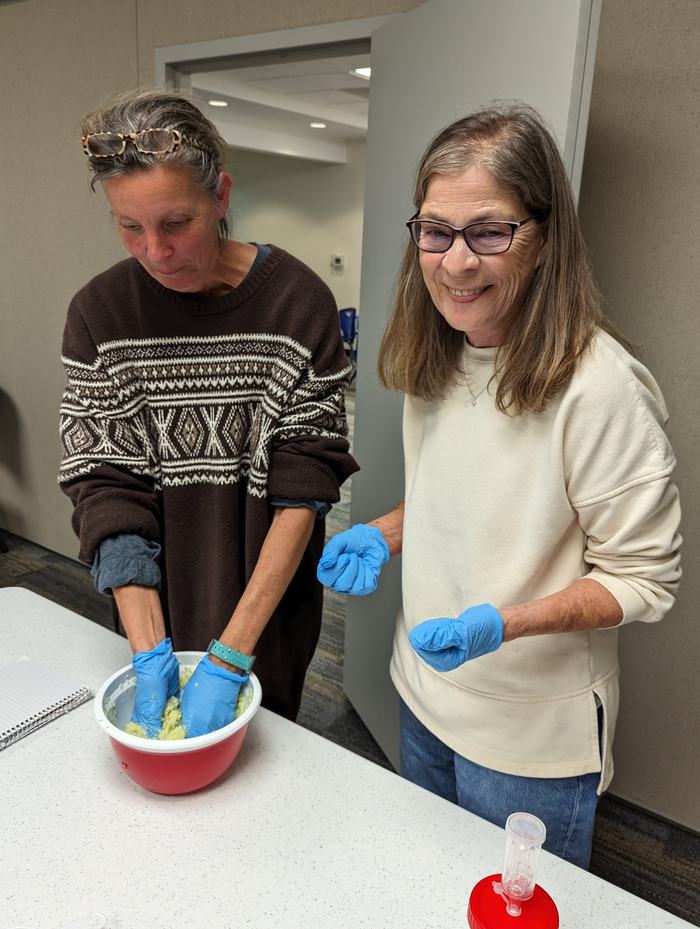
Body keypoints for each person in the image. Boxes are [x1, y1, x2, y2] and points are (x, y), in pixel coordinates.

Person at [317, 104, 681, 868]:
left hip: (527, 737)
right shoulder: (440, 355)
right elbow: (467, 496)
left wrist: (504, 624)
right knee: (429, 884)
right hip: (420, 694)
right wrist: (381, 532)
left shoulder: (601, 388)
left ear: (543, 238)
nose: (455, 261)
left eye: (489, 230)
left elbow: (644, 579)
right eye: (435, 230)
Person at [59, 90, 357, 739]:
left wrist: (231, 653)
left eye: (175, 222)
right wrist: (149, 648)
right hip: (151, 617)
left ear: (220, 196)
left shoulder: (298, 306)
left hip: (267, 622)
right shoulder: (99, 316)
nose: (154, 251)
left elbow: (303, 493)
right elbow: (105, 485)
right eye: (128, 225)